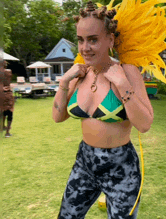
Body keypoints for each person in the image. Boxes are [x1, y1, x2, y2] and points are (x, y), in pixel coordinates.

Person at [52, 2, 154, 219]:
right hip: (85, 164)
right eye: (80, 40)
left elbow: (145, 125)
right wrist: (64, 81)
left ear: (111, 39)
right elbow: (57, 117)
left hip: (122, 170)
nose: (85, 48)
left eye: (93, 40)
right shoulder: (79, 73)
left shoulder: (127, 71)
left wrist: (122, 84)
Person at [1, 60, 14, 137]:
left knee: (2, 112)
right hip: (8, 94)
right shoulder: (8, 72)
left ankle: (3, 127)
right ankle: (7, 132)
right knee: (9, 113)